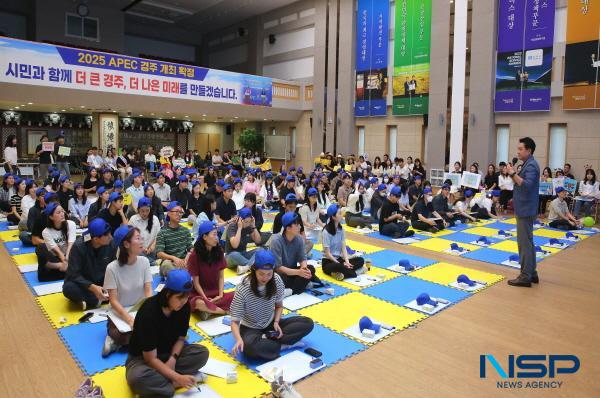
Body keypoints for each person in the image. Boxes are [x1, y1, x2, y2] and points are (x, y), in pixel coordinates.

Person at [125, 269, 209, 397]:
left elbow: (181, 338)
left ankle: (158, 387)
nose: (184, 301)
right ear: (167, 293)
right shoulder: (148, 312)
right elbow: (150, 359)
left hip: (169, 352)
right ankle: (172, 385)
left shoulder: (184, 307)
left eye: (187, 296)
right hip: (142, 359)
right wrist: (177, 378)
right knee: (137, 378)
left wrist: (173, 359)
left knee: (202, 353)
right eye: (180, 297)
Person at [230, 249, 314, 363]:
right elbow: (234, 322)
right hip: (251, 327)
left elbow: (279, 306)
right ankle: (283, 345)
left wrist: (276, 322)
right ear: (254, 269)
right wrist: (239, 339)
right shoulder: (243, 288)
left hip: (271, 323)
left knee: (307, 323)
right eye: (261, 274)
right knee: (249, 348)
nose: (265, 278)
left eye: (269, 274)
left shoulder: (276, 280)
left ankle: (268, 341)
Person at [102, 225, 153, 357]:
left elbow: (148, 292)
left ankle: (120, 343)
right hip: (120, 313)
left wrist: (149, 312)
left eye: (141, 237)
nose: (142, 240)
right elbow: (113, 301)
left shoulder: (144, 262)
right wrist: (129, 320)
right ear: (126, 244)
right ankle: (114, 339)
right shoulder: (112, 268)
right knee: (124, 336)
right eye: (138, 238)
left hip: (139, 310)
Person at [505, 137, 541, 287]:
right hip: (524, 207)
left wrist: (513, 173)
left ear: (529, 150)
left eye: (520, 149)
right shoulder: (526, 164)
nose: (518, 151)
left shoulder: (532, 166)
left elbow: (526, 185)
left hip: (526, 210)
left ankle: (525, 276)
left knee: (524, 243)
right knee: (528, 242)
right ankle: (532, 273)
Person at [62, 218, 116, 309]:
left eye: (110, 233)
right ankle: (97, 300)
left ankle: (90, 301)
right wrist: (93, 288)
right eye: (107, 235)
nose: (110, 237)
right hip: (85, 284)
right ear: (96, 239)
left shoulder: (111, 243)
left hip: (102, 281)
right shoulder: (78, 247)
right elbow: (74, 274)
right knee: (68, 288)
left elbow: (114, 267)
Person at [188, 221, 234, 320]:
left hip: (216, 293)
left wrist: (221, 295)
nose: (216, 237)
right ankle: (222, 311)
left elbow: (221, 277)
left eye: (216, 234)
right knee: (198, 303)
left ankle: (210, 310)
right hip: (200, 294)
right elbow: (196, 283)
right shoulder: (194, 256)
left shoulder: (219, 251)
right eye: (214, 234)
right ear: (204, 237)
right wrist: (205, 298)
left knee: (238, 295)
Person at [270, 212, 318, 296]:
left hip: (293, 271)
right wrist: (299, 273)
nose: (300, 226)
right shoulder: (276, 241)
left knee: (311, 269)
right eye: (297, 225)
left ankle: (291, 290)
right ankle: (301, 286)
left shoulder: (299, 239)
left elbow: (302, 258)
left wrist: (304, 269)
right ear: (288, 228)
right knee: (277, 279)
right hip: (280, 274)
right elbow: (278, 268)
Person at [321, 205, 367, 280]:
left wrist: (347, 261)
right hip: (329, 262)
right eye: (339, 213)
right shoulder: (326, 232)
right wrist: (339, 263)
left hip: (340, 259)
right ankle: (357, 272)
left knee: (360, 260)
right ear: (333, 217)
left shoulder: (341, 229)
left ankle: (340, 273)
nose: (341, 215)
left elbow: (343, 247)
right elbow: (328, 254)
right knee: (339, 266)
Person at [156, 202, 193, 277]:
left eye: (181, 212)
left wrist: (189, 255)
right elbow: (159, 253)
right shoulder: (162, 232)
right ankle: (182, 275)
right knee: (166, 265)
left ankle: (183, 275)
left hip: (184, 262)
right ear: (169, 213)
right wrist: (173, 258)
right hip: (171, 263)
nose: (179, 214)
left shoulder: (185, 230)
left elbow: (190, 247)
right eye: (176, 212)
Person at [225, 207, 262, 274]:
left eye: (249, 221)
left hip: (243, 254)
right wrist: (239, 228)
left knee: (260, 250)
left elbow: (258, 241)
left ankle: (246, 267)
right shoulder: (232, 226)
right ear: (240, 219)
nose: (247, 224)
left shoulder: (248, 226)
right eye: (246, 222)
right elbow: (235, 245)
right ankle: (251, 265)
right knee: (235, 254)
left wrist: (253, 226)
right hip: (230, 256)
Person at [128, 197, 160, 266]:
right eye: (142, 211)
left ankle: (151, 262)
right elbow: (130, 238)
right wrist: (141, 248)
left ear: (150, 210)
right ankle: (152, 263)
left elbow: (158, 236)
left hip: (152, 250)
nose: (145, 213)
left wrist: (152, 247)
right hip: (138, 250)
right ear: (138, 210)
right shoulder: (133, 220)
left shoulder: (155, 219)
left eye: (147, 210)